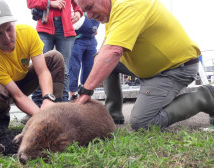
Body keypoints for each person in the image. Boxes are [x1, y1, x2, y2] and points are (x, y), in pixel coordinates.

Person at [75, 0, 214, 130]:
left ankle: (204, 97)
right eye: (85, 11)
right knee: (102, 61)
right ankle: (112, 117)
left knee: (142, 123)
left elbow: (112, 52)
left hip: (174, 68)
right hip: (154, 67)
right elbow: (106, 49)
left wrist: (86, 91)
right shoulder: (113, 11)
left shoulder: (128, 5)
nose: (89, 16)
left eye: (90, 7)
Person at [0, 0, 65, 132]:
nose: (7, 38)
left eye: (9, 29)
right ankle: (1, 118)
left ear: (13, 22)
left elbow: (43, 71)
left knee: (55, 57)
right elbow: (18, 96)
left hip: (21, 81)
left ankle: (53, 109)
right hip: (0, 91)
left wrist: (47, 98)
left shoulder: (27, 33)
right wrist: (42, 119)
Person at [26, 0, 83, 106]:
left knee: (65, 69)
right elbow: (30, 3)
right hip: (44, 26)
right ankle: (37, 105)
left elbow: (78, 3)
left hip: (66, 28)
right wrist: (50, 3)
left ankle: (62, 105)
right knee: (40, 66)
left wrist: (79, 12)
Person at [68, 13, 100, 100]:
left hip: (91, 40)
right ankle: (72, 94)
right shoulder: (80, 8)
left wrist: (93, 29)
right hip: (78, 39)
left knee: (89, 67)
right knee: (74, 67)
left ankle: (85, 93)